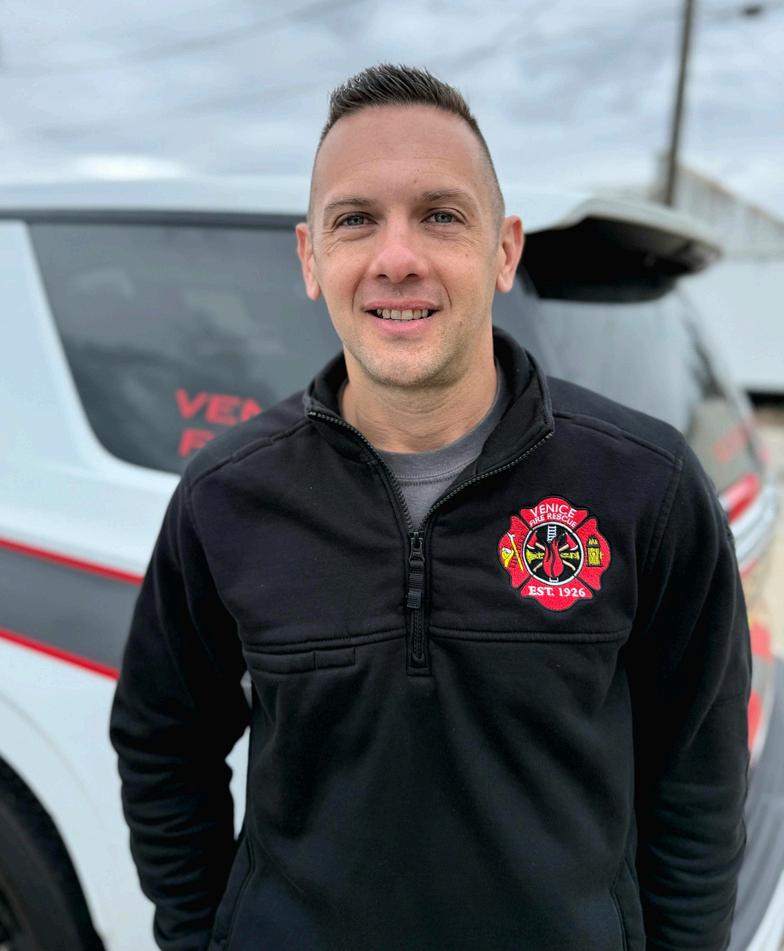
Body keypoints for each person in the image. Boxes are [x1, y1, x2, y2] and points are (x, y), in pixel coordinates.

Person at [109, 64, 751, 951]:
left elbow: (698, 780)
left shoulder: (648, 484)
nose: (397, 257)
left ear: (504, 250)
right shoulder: (224, 497)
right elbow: (163, 744)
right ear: (310, 257)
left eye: (441, 215)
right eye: (355, 219)